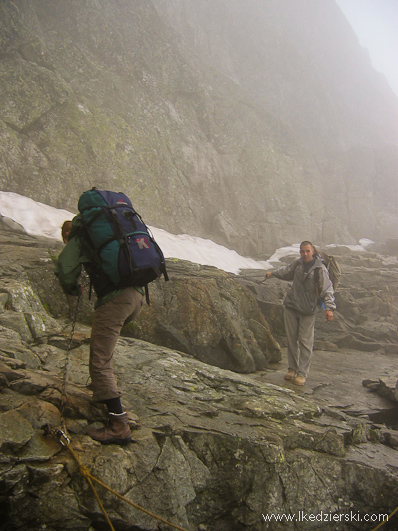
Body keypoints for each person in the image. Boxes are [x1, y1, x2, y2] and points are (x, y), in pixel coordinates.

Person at [55, 214, 144, 445]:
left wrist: (73, 288)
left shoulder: (80, 236)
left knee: (99, 359)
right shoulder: (111, 233)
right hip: (137, 296)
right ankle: (100, 388)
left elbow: (65, 267)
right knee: (103, 346)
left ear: (67, 233)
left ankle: (119, 425)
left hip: (117, 299)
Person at [265, 241, 336, 386]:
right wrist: (272, 274)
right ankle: (292, 369)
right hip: (291, 306)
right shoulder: (298, 264)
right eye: (302, 251)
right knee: (291, 340)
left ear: (313, 252)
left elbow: (327, 290)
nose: (304, 254)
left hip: (308, 311)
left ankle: (302, 374)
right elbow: (286, 271)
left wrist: (329, 308)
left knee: (305, 342)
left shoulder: (320, 269)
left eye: (307, 251)